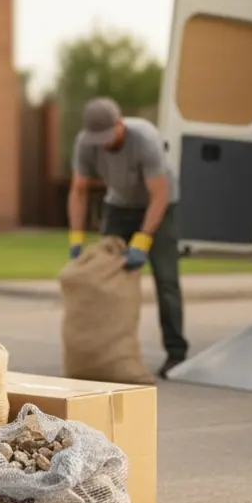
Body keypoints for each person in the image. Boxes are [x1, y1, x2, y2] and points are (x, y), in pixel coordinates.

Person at [66, 96, 188, 378]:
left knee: (166, 279)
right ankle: (101, 353)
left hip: (161, 206)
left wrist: (143, 240)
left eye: (109, 135)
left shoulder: (144, 139)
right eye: (98, 139)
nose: (105, 143)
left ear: (120, 123)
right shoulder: (86, 144)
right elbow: (78, 191)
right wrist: (76, 238)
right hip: (119, 206)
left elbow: (159, 195)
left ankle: (177, 353)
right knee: (103, 277)